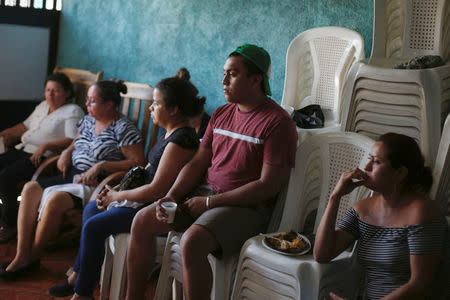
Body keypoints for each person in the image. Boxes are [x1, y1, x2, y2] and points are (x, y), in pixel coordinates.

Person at [125, 44, 298, 300]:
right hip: (206, 195)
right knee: (142, 220)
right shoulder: (221, 114)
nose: (223, 81)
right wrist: (172, 196)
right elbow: (197, 163)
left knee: (192, 241)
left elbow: (267, 185)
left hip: (246, 207)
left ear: (255, 79)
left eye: (233, 74)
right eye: (224, 73)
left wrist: (209, 203)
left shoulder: (277, 122)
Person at [48, 71, 206, 299]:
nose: (151, 108)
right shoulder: (169, 133)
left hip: (155, 210)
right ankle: (80, 276)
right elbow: (147, 172)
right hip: (142, 201)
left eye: (156, 104)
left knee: (94, 226)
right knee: (92, 208)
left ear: (173, 110)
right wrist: (118, 190)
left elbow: (157, 189)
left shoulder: (180, 141)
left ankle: (81, 293)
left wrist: (117, 197)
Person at [0, 80, 145, 279]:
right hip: (71, 175)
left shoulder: (123, 128)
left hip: (94, 184)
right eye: (87, 100)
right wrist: (67, 152)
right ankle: (22, 255)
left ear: (109, 105)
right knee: (30, 188)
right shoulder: (88, 120)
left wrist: (102, 165)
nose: (87, 104)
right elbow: (76, 140)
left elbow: (137, 163)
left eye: (92, 101)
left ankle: (32, 257)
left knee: (55, 199)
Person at [314, 133, 449, 300]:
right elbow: (322, 254)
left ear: (400, 173)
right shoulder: (363, 210)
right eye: (369, 159)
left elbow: (419, 285)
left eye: (376, 162)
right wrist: (335, 197)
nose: (367, 167)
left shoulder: (422, 212)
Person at [0, 72, 84, 243]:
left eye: (56, 91)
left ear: (67, 92)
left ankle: (9, 225)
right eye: (48, 90)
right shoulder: (42, 106)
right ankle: (5, 215)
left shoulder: (72, 111)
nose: (50, 94)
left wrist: (46, 145)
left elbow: (72, 139)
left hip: (42, 157)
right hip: (22, 148)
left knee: (6, 176)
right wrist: (3, 134)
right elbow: (24, 126)